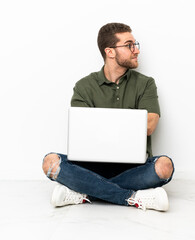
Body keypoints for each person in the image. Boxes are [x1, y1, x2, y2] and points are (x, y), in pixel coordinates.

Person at [42, 23, 174, 211]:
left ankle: (84, 191)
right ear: (110, 52)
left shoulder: (145, 84)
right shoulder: (84, 86)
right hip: (91, 167)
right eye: (129, 45)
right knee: (50, 162)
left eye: (135, 44)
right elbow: (81, 133)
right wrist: (129, 124)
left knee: (164, 167)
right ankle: (132, 198)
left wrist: (103, 125)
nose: (136, 50)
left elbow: (150, 125)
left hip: (133, 168)